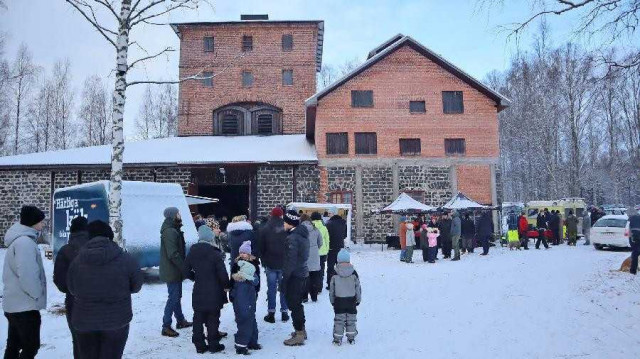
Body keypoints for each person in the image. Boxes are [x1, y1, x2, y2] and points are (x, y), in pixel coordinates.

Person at [68, 220, 143, 359]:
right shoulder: (126, 259)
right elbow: (136, 286)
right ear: (109, 235)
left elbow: (72, 288)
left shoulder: (77, 260)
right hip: (116, 321)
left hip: (85, 321)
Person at [3, 205, 47, 359]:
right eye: (41, 222)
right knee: (31, 346)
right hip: (25, 307)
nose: (43, 224)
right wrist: (36, 294)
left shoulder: (19, 241)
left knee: (13, 346)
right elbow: (28, 275)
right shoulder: (25, 243)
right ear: (33, 222)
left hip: (15, 305)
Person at [183, 225, 230, 354]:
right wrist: (226, 285)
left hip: (198, 289)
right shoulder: (215, 253)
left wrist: (195, 277)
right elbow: (222, 273)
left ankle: (199, 345)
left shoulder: (192, 252)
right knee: (213, 317)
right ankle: (213, 344)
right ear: (210, 238)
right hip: (214, 290)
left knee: (198, 317)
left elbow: (185, 271)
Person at [53, 216, 90, 359]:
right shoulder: (95, 248)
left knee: (79, 343)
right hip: (97, 303)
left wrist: (72, 290)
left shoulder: (65, 251)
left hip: (74, 303)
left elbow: (59, 281)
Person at [160, 207, 192, 337]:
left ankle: (180, 320)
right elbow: (173, 254)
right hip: (172, 270)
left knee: (176, 296)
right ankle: (166, 326)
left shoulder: (174, 229)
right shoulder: (170, 231)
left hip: (175, 270)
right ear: (173, 215)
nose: (180, 214)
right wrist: (184, 267)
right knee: (173, 297)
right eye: (178, 213)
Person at [281, 210, 310, 346]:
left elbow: (290, 262)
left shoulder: (293, 238)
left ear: (289, 222)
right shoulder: (301, 235)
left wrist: (284, 278)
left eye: (284, 221)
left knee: (293, 303)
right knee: (297, 303)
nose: (283, 223)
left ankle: (299, 333)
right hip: (302, 272)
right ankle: (301, 330)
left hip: (295, 275)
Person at [258, 207, 289, 324]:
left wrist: (264, 261)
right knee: (283, 288)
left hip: (270, 263)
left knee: (271, 289)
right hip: (284, 263)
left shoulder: (265, 228)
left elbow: (261, 247)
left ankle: (271, 313)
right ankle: (284, 312)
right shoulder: (286, 227)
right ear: (281, 215)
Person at [230, 241, 261, 355]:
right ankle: (243, 343)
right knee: (244, 317)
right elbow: (231, 280)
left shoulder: (254, 265)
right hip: (239, 294)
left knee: (251, 316)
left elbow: (257, 281)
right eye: (241, 252)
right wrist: (231, 293)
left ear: (249, 254)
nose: (242, 254)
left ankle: (252, 341)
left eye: (245, 253)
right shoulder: (236, 264)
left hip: (250, 294)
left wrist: (256, 291)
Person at [330, 248, 361, 346]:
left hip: (339, 301)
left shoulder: (335, 274)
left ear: (338, 260)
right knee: (351, 319)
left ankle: (337, 339)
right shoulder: (353, 273)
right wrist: (358, 299)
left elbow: (332, 289)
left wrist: (332, 301)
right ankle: (351, 337)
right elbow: (358, 288)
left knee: (339, 320)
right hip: (351, 300)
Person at [300, 214, 323, 302]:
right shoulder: (315, 229)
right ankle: (314, 296)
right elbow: (320, 242)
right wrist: (315, 249)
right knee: (314, 277)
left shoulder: (299, 230)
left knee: (304, 278)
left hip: (303, 256)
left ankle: (304, 297)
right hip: (314, 256)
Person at [325, 213, 347, 290]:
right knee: (340, 266)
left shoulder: (328, 224)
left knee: (330, 267)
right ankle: (341, 283)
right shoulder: (343, 223)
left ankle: (330, 284)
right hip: (340, 247)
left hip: (331, 248)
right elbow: (345, 235)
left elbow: (327, 236)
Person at [311, 212, 330, 293]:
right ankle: (319, 288)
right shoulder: (324, 228)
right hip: (322, 253)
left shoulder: (310, 227)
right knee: (321, 270)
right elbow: (327, 240)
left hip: (312, 252)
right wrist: (327, 250)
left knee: (312, 270)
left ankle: (311, 287)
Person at [627, 208, 640, 275]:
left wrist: (630, 240)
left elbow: (629, 231)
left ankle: (633, 270)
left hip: (634, 239)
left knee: (635, 254)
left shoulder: (631, 220)